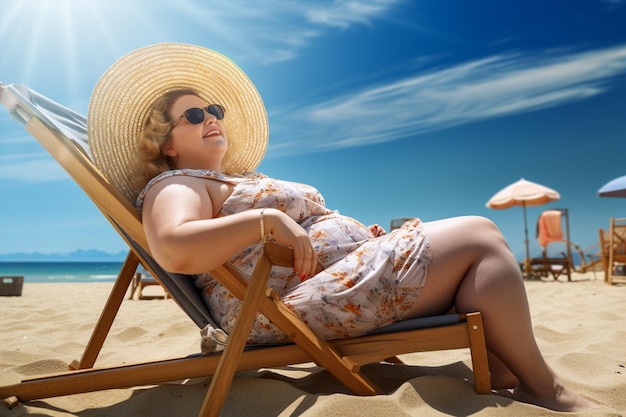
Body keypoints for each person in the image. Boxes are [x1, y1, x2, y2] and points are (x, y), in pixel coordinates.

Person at [87, 43, 597, 412]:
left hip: (314, 286)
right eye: (193, 115)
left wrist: (348, 241)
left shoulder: (220, 180)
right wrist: (268, 218)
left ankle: (510, 367)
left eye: (214, 109)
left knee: (478, 241)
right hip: (273, 311)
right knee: (479, 234)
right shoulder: (176, 185)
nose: (211, 118)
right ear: (168, 144)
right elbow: (174, 250)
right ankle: (542, 388)